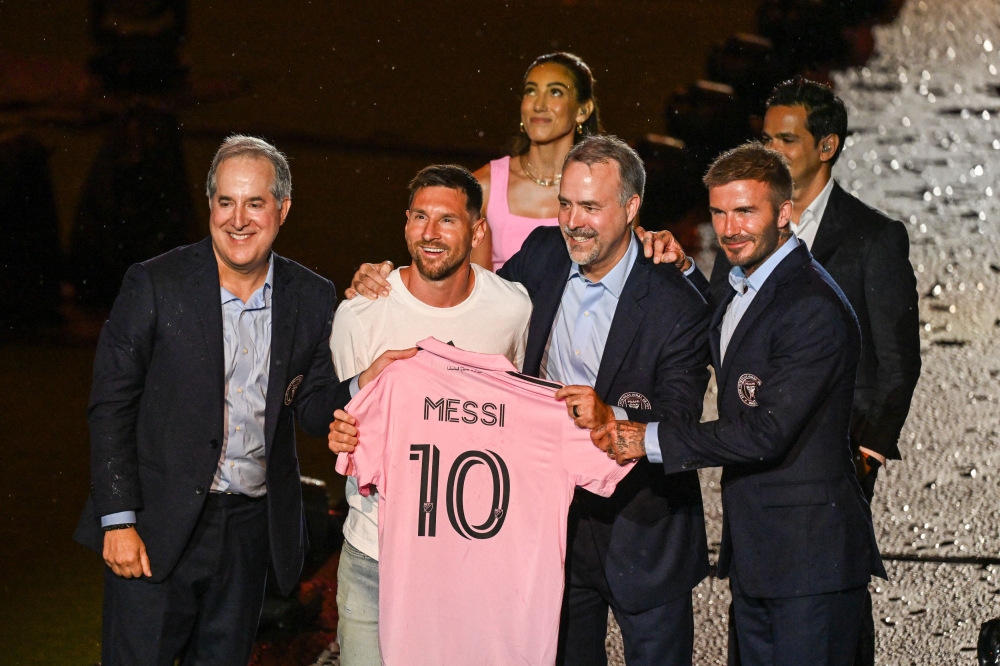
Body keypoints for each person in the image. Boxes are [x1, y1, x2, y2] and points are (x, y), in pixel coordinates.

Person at [348, 135, 713, 666]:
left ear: (632, 208)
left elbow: (679, 420)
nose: (573, 221)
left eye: (591, 206)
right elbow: (471, 311)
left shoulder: (677, 302)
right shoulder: (542, 254)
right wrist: (391, 281)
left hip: (645, 535)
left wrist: (613, 418)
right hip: (549, 536)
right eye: (565, 203)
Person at [72, 136, 404, 666]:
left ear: (282, 209)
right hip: (155, 529)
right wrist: (118, 519)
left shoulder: (312, 296)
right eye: (226, 202)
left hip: (249, 535)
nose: (238, 219)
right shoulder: (156, 284)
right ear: (210, 205)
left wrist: (364, 382)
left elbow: (314, 406)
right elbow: (111, 404)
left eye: (255, 203)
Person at [595, 142, 886, 666]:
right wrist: (682, 269)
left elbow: (766, 430)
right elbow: (714, 334)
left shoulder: (811, 307)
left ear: (785, 213)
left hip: (810, 563)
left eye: (746, 211)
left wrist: (649, 438)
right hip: (759, 557)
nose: (730, 229)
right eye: (720, 212)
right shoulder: (738, 284)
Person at [707, 77, 920, 665]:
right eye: (765, 137)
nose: (771, 149)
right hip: (756, 471)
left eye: (786, 138)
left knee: (826, 604)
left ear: (826, 146)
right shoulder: (744, 229)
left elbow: (897, 362)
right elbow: (714, 321)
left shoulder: (873, 237)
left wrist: (867, 454)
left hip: (832, 463)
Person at [327, 164, 532, 666]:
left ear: (478, 230)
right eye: (421, 217)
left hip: (469, 561)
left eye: (448, 220)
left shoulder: (513, 310)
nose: (431, 233)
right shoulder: (359, 316)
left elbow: (518, 414)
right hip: (374, 555)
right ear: (405, 224)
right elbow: (345, 420)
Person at [471, 52, 600, 271]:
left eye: (555, 92)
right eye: (531, 91)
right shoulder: (484, 186)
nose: (538, 105)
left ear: (582, 111)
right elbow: (472, 292)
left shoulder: (605, 188)